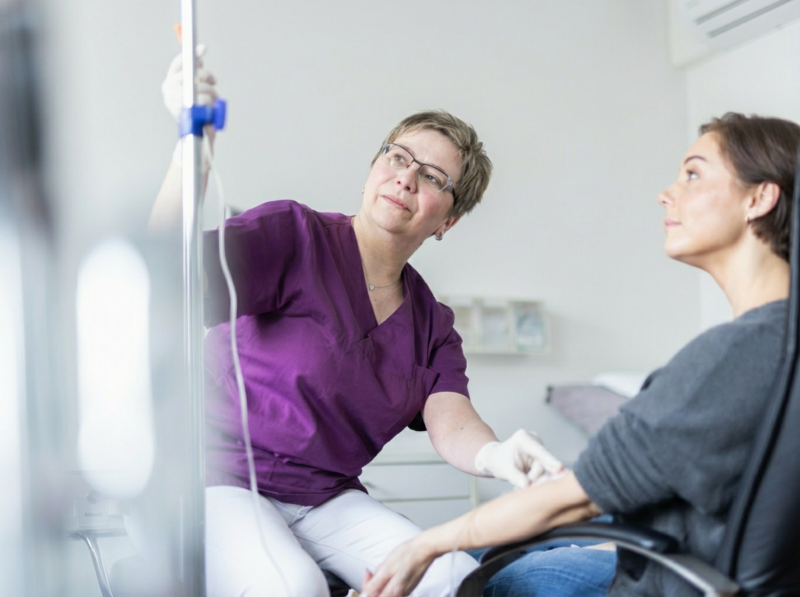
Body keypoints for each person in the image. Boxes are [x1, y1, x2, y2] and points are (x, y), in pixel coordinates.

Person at [150, 49, 564, 597]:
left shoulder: (430, 325)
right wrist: (191, 154)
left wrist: (496, 454)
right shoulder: (293, 236)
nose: (407, 178)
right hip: (216, 478)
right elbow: (162, 274)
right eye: (398, 157)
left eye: (434, 176)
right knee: (293, 587)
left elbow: (453, 422)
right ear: (375, 165)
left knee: (453, 579)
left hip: (325, 500)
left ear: (450, 218)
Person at [361, 112, 799, 597]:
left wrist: (424, 546)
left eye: (693, 174)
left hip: (674, 581)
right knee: (500, 552)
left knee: (489, 576)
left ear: (760, 198)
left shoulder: (730, 359)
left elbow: (571, 502)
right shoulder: (777, 343)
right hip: (714, 565)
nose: (666, 193)